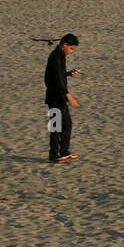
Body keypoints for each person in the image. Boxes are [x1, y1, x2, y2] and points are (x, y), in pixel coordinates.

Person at [45, 33, 81, 164]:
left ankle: (56, 155)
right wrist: (68, 96)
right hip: (56, 97)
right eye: (71, 48)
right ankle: (62, 153)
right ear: (64, 44)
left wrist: (68, 73)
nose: (71, 51)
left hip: (54, 96)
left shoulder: (59, 55)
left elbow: (58, 74)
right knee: (63, 125)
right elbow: (57, 79)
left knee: (57, 127)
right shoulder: (56, 58)